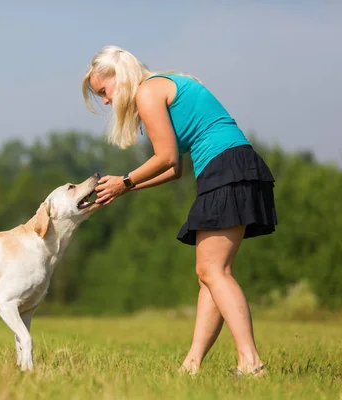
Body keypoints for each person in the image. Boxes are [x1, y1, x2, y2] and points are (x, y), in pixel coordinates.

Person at [81, 45, 277, 376]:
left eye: (104, 91)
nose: (105, 100)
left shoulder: (147, 92)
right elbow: (175, 171)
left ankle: (251, 362)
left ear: (119, 76)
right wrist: (125, 189)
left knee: (214, 272)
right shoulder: (160, 85)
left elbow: (167, 158)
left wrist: (125, 181)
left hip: (225, 167)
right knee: (210, 274)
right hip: (236, 165)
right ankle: (191, 365)